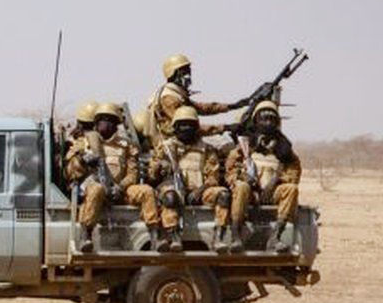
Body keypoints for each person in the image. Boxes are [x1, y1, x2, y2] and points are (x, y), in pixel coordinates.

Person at [65, 103, 167, 252]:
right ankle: (86, 236)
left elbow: (133, 174)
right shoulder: (84, 143)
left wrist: (120, 187)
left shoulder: (126, 146)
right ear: (96, 123)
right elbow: (69, 173)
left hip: (121, 190)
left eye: (109, 120)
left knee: (146, 191)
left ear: (115, 125)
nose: (105, 124)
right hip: (97, 189)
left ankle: (154, 236)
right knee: (96, 189)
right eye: (101, 120)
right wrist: (81, 161)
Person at [150, 106, 233, 252]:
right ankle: (174, 237)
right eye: (182, 125)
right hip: (173, 189)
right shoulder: (165, 147)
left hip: (199, 191)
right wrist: (161, 166)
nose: (186, 128)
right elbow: (152, 175)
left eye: (189, 124)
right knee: (169, 198)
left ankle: (219, 236)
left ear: (196, 127)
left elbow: (213, 176)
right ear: (175, 127)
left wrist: (201, 190)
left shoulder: (206, 149)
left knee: (223, 195)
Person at [225, 101, 301, 253]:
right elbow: (230, 171)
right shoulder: (246, 147)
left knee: (291, 189)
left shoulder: (284, 149)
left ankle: (276, 237)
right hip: (250, 194)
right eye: (264, 119)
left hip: (273, 193)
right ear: (256, 121)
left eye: (272, 120)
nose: (268, 123)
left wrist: (276, 182)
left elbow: (294, 173)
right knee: (241, 186)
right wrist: (244, 179)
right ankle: (236, 236)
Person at [146, 53, 249, 148]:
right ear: (173, 74)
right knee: (226, 144)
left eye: (188, 71)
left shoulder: (178, 95)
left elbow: (202, 108)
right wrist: (224, 128)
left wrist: (233, 106)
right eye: (184, 72)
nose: (188, 76)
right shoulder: (169, 98)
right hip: (173, 143)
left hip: (183, 140)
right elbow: (188, 127)